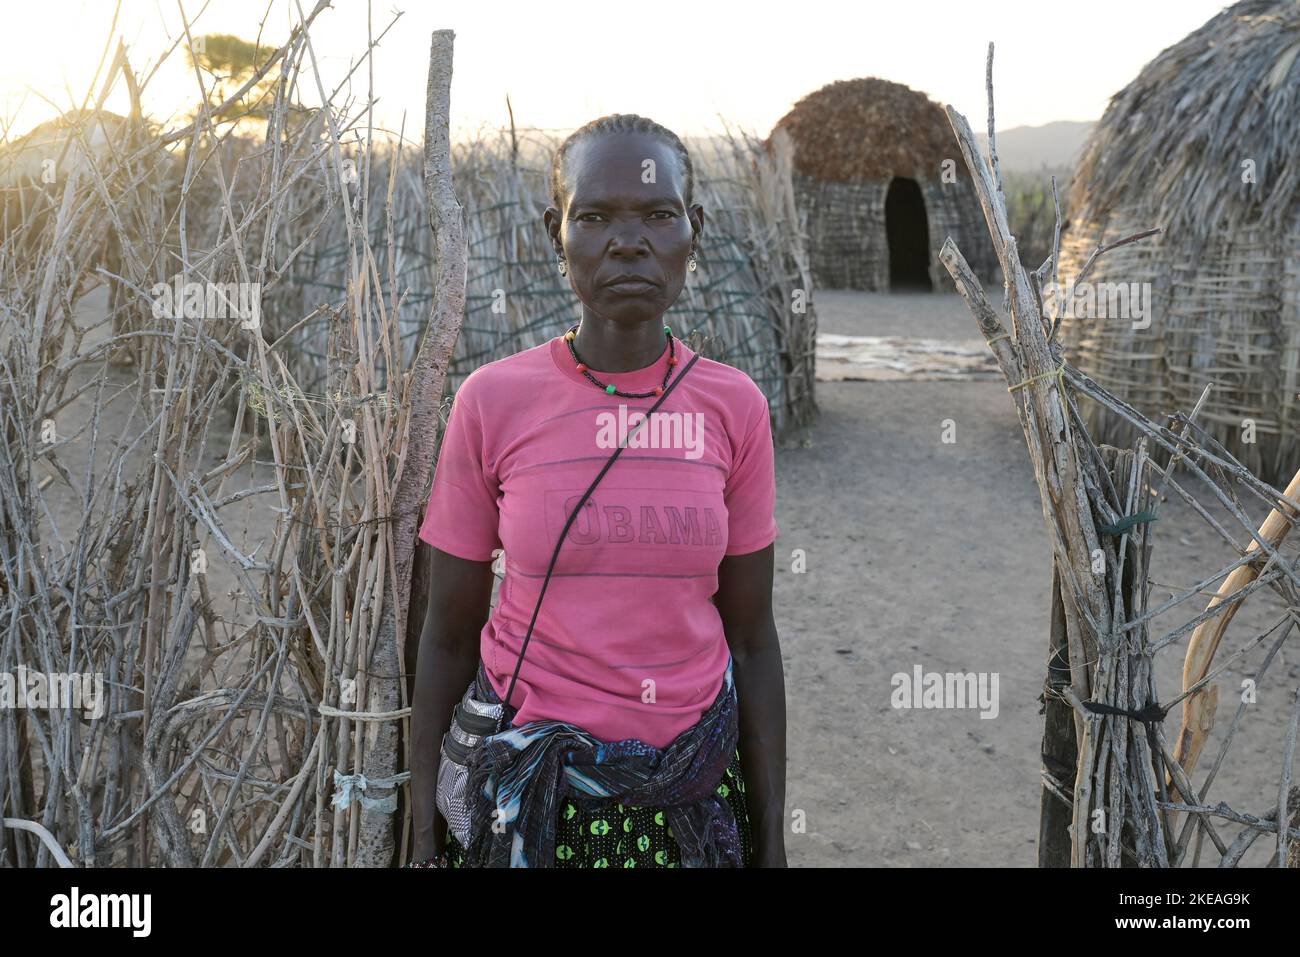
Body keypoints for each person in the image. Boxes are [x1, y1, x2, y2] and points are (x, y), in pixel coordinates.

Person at [408, 114, 786, 868]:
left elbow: (751, 636)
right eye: (594, 217)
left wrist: (771, 840)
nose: (628, 240)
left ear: (694, 229)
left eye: (657, 214)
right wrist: (422, 822)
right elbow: (448, 632)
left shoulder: (734, 407)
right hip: (526, 804)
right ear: (558, 233)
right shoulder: (492, 402)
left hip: (692, 797)